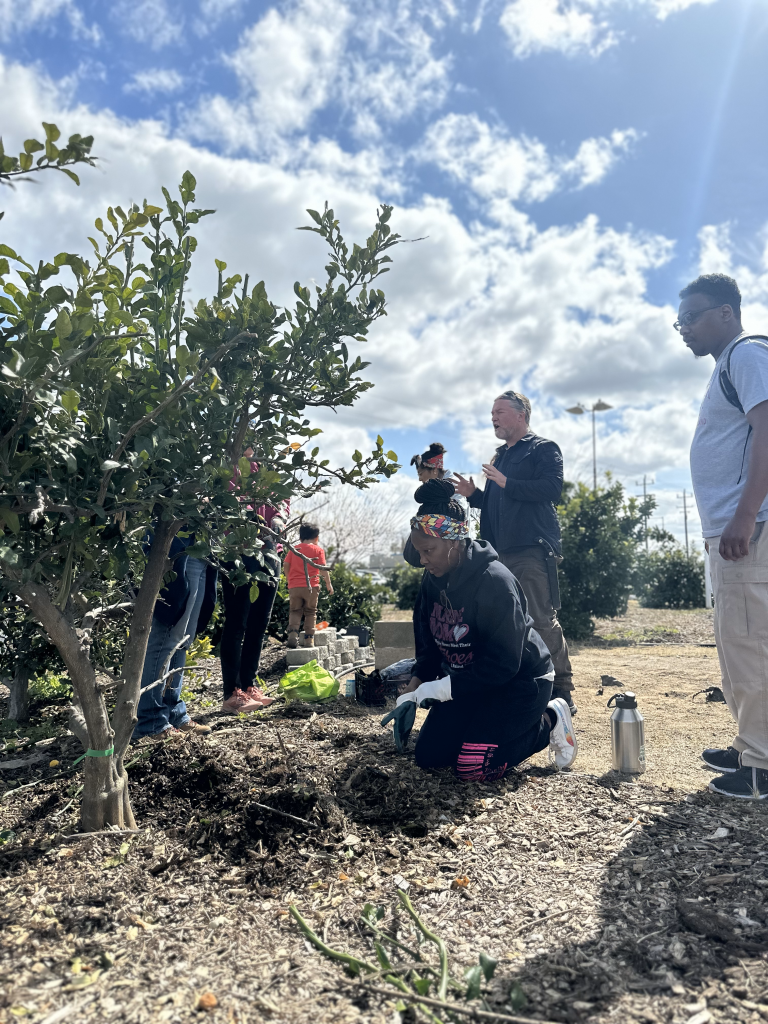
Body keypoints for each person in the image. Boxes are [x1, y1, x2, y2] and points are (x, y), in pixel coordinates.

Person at [384, 493, 577, 778]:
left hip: (520, 682)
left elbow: (504, 664)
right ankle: (482, 729)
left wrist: (440, 689)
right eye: (419, 551)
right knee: (429, 757)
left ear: (453, 542)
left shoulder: (495, 582)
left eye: (429, 550)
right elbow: (429, 650)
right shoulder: (432, 581)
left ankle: (550, 719)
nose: (423, 560)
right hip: (469, 683)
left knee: (472, 765)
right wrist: (412, 692)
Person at [682, 273, 768, 800]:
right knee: (737, 643)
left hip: (748, 529)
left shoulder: (747, 354)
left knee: (751, 643)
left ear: (727, 313)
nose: (684, 328)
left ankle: (760, 766)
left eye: (693, 317)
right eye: (680, 321)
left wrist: (744, 515)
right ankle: (748, 743)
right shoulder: (730, 365)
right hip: (733, 530)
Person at [453, 391, 575, 712]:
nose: (493, 417)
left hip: (532, 550)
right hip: (498, 555)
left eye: (500, 411)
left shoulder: (543, 448)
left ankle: (561, 688)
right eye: (491, 412)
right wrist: (475, 495)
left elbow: (552, 488)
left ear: (521, 415)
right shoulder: (499, 457)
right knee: (506, 622)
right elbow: (498, 504)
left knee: (541, 619)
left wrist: (507, 483)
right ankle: (525, 682)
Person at [219, 449, 288, 714]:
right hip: (239, 550)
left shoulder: (271, 466)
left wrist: (279, 517)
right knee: (238, 622)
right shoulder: (233, 465)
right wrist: (253, 518)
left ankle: (248, 685)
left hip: (271, 552)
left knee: (259, 624)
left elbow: (283, 500)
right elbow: (228, 496)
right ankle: (231, 692)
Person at [133, 535, 217, 741]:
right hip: (179, 542)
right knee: (166, 633)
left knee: (182, 638)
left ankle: (173, 713)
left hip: (202, 547)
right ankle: (150, 722)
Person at [284, 523, 334, 648]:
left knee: (295, 611)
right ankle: (309, 640)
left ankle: (292, 636)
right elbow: (322, 569)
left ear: (300, 538)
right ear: (317, 538)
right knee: (311, 612)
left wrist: (289, 579)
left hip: (294, 586)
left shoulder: (295, 549)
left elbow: (286, 565)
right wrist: (328, 583)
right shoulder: (318, 550)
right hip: (311, 585)